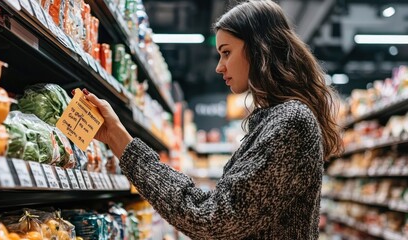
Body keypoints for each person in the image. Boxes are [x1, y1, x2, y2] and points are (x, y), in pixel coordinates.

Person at [81, 0, 342, 239]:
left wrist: (122, 141)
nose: (219, 66)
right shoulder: (277, 120)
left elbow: (212, 219)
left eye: (226, 52)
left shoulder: (290, 122)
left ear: (259, 48)